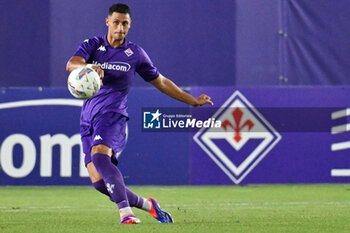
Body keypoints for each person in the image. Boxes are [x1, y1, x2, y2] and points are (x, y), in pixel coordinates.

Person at [66, 3, 213, 225]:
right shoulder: (94, 45)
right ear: (108, 22)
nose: (120, 28)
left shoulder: (134, 54)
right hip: (88, 119)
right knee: (98, 182)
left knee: (99, 155)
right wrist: (88, 68)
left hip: (113, 115)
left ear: (130, 25)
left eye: (125, 23)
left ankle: (126, 213)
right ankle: (148, 205)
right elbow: (71, 64)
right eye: (116, 22)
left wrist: (191, 99)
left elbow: (161, 82)